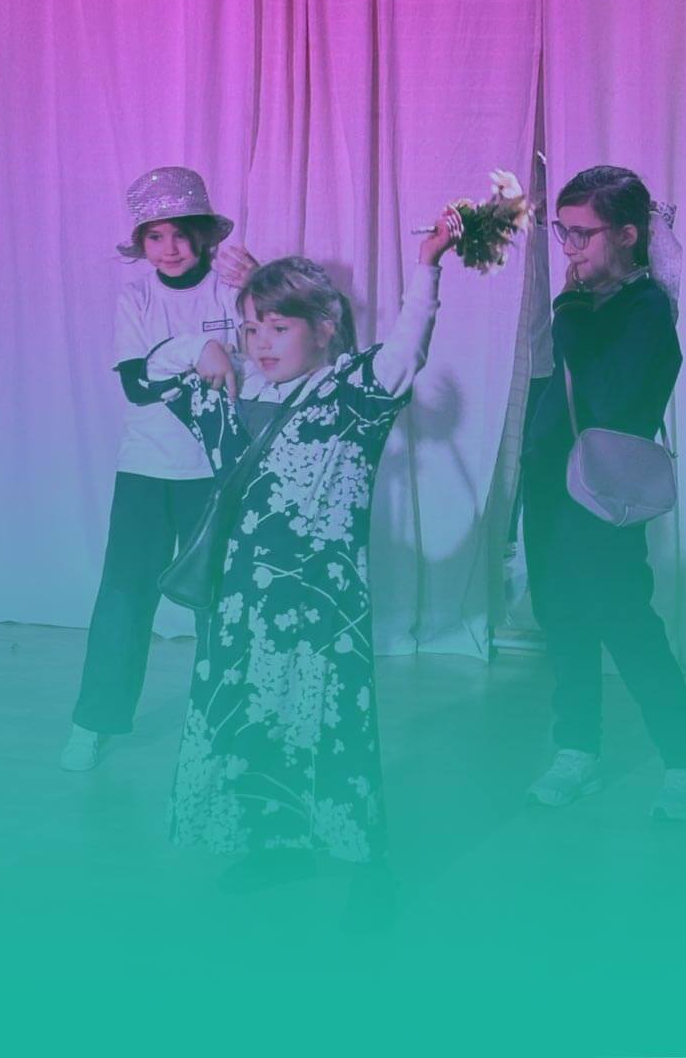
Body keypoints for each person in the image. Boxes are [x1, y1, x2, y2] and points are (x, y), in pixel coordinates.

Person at [140, 205, 463, 918]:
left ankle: (368, 866)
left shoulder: (350, 397)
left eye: (279, 328)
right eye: (251, 329)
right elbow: (147, 374)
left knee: (333, 729)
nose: (260, 343)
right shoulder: (228, 398)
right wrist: (202, 346)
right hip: (238, 605)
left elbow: (407, 350)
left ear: (325, 329)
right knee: (251, 721)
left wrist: (427, 267)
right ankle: (275, 846)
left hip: (322, 607)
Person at [521, 165, 686, 820]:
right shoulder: (588, 304)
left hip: (604, 494)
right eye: (563, 232)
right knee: (561, 618)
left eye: (584, 233)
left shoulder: (646, 307)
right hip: (550, 487)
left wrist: (570, 309)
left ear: (628, 234)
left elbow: (608, 400)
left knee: (626, 622)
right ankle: (577, 749)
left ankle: (685, 758)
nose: (570, 248)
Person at [60, 167, 255, 772]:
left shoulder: (232, 290)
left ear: (203, 235)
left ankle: (226, 724)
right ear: (141, 243)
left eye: (180, 234)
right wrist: (201, 349)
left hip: (217, 473)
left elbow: (273, 360)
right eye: (155, 236)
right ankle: (94, 722)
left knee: (219, 601)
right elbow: (136, 384)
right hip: (146, 471)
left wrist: (262, 289)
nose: (169, 248)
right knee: (124, 596)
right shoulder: (137, 298)